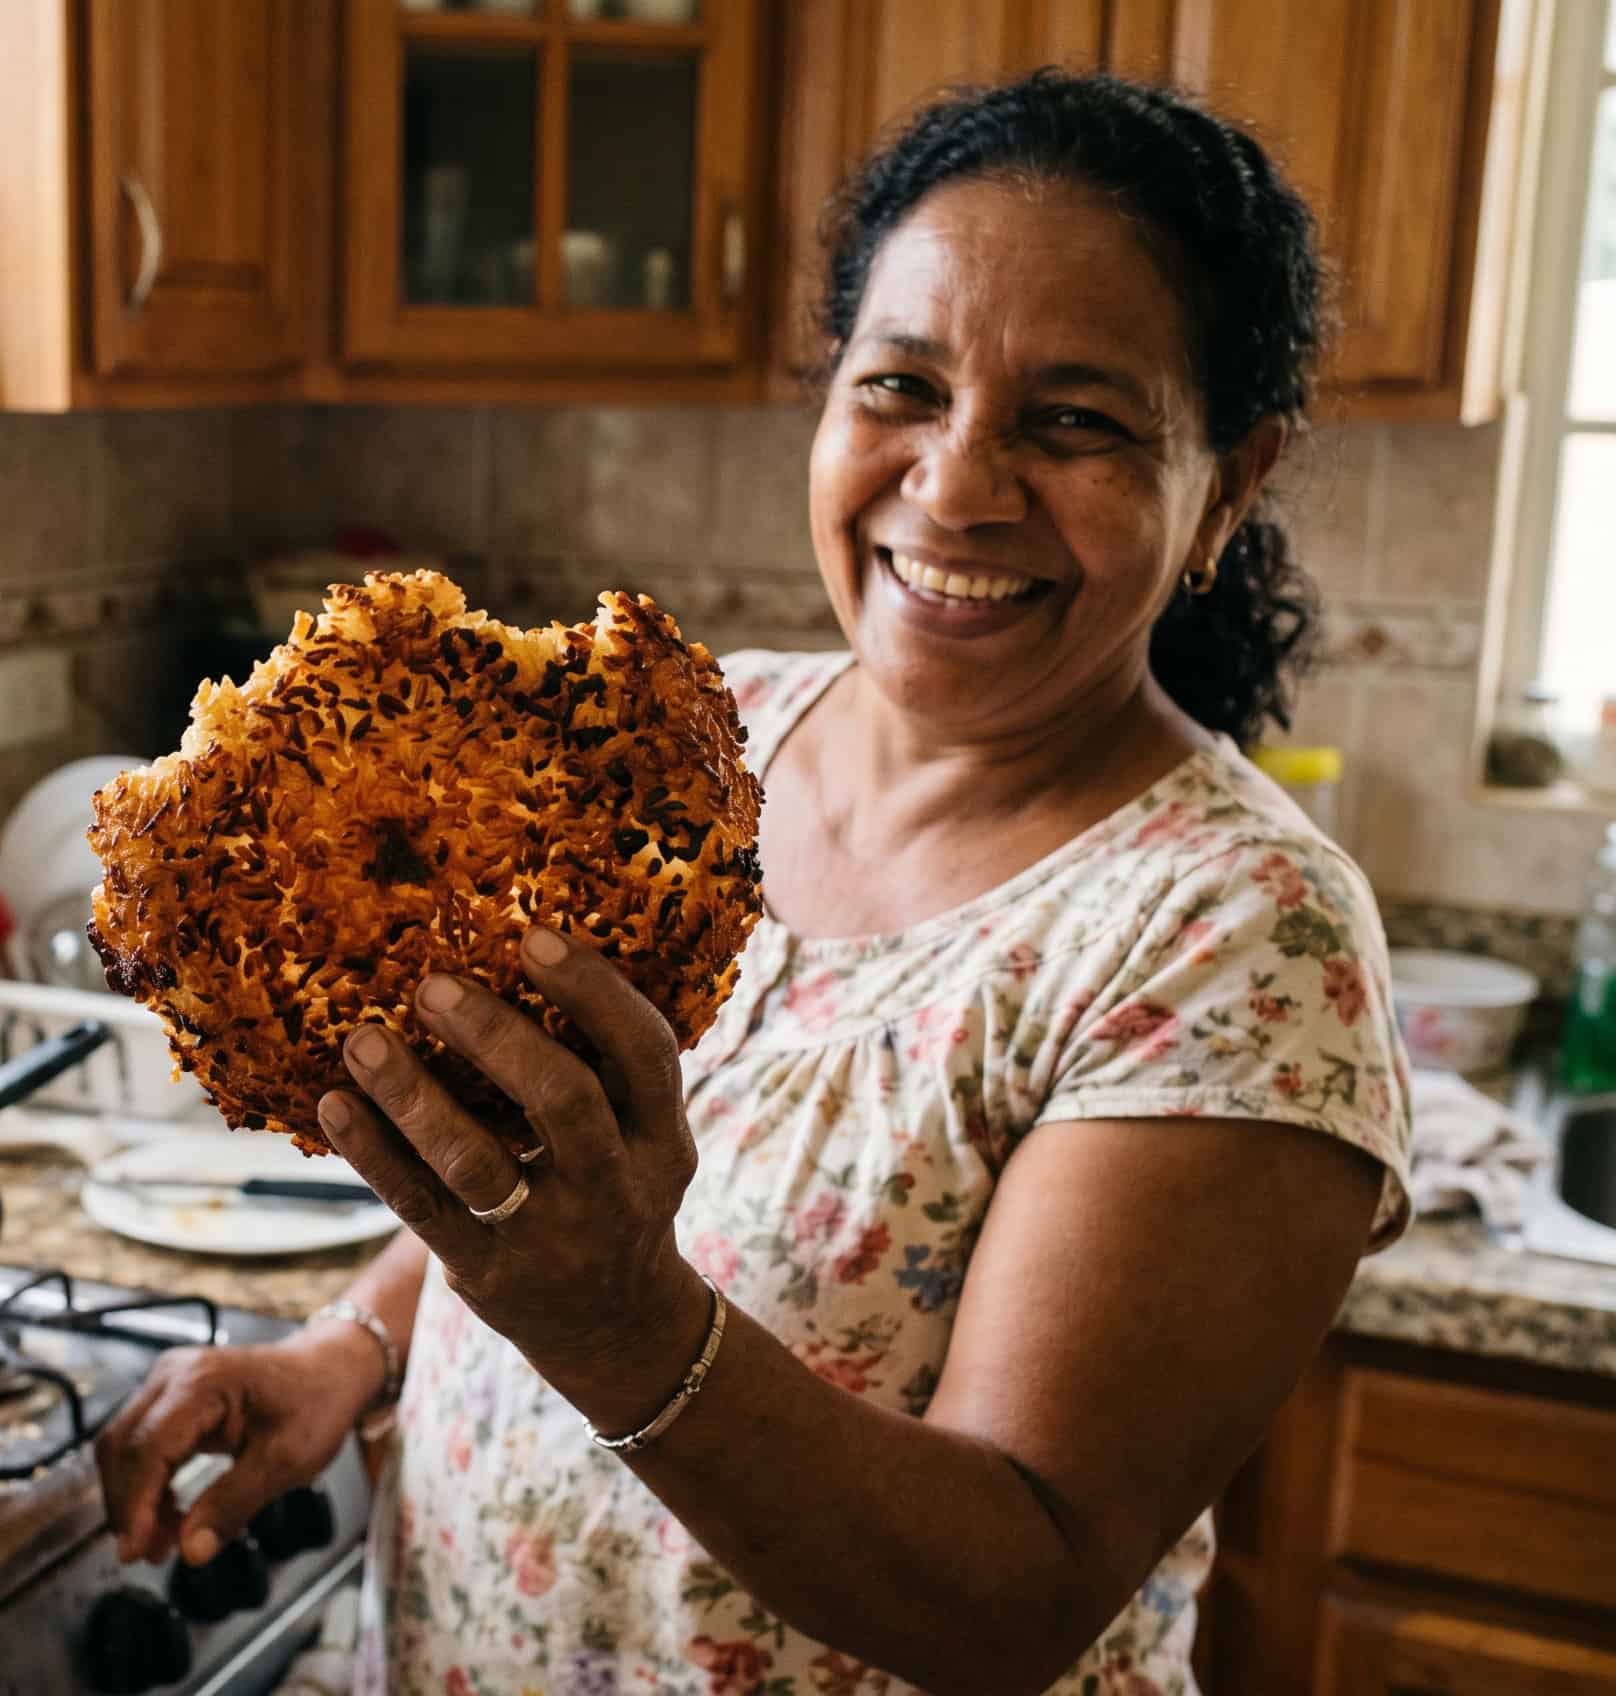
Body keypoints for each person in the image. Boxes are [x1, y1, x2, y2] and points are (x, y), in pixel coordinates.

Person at [96, 71, 1410, 1696]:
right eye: (902, 386)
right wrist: (348, 1348)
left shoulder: (1235, 937)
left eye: (1076, 420)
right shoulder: (691, 747)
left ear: (1232, 480)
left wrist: (620, 1323)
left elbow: (1014, 1593)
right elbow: (523, 1160)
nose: (957, 484)